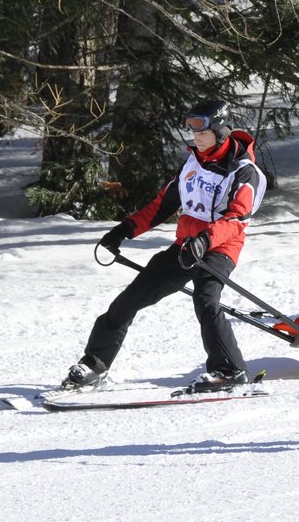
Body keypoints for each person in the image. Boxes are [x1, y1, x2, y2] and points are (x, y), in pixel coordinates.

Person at [61, 100, 266, 392]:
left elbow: (236, 219)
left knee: (206, 301)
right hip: (185, 247)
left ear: (221, 132)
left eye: (203, 132)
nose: (196, 138)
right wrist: (125, 230)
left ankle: (230, 371)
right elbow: (163, 204)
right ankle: (94, 364)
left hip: (220, 248)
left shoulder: (245, 172)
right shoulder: (193, 162)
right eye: (193, 131)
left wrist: (205, 240)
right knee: (129, 299)